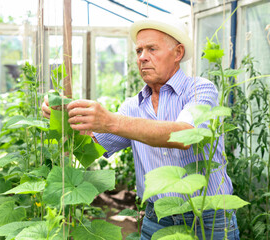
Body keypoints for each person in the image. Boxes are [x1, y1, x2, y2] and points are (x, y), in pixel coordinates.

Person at [42, 12, 239, 240]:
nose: (142, 57)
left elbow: (186, 134)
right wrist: (61, 117)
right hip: (157, 220)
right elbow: (89, 144)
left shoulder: (199, 90)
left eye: (152, 49)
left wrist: (111, 121)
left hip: (207, 219)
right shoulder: (132, 106)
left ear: (178, 53)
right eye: (139, 51)